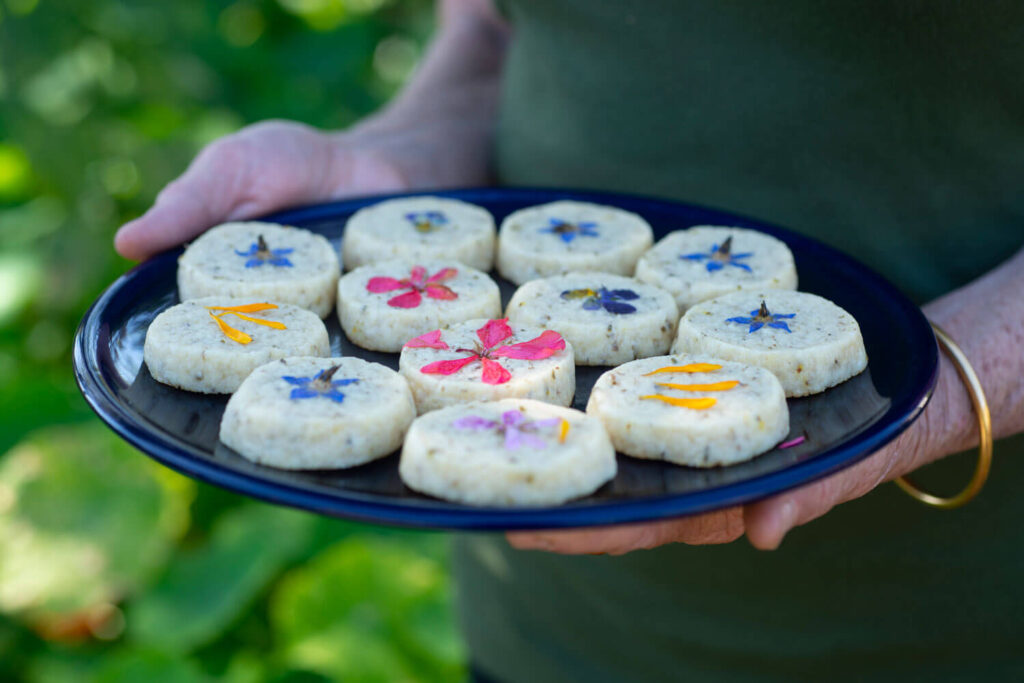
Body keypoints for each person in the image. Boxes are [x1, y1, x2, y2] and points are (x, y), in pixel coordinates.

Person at [116, 1, 1024, 680]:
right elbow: (500, 27)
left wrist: (949, 385)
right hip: (546, 627)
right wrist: (400, 156)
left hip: (947, 621)